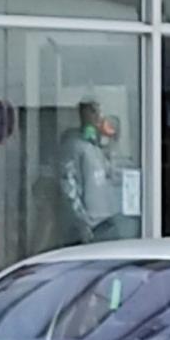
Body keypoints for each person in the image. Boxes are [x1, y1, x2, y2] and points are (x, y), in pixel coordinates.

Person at [59, 99, 117, 242]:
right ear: (84, 114)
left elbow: (110, 176)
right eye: (93, 112)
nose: (98, 117)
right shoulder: (74, 144)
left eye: (99, 112)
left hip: (107, 217)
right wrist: (82, 222)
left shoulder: (97, 145)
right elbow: (68, 184)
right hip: (91, 224)